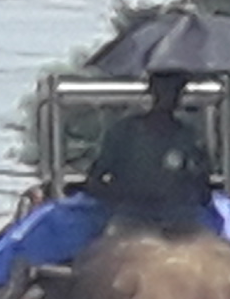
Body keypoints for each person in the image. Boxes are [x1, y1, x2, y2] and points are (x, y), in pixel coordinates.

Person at [84, 71, 217, 234]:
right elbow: (95, 180)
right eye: (163, 88)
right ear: (152, 90)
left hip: (179, 218)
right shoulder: (124, 132)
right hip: (131, 216)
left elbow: (203, 184)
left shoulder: (189, 136)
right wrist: (122, 195)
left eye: (176, 89)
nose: (170, 94)